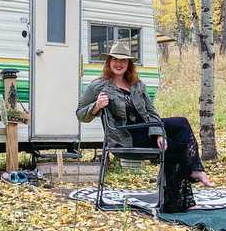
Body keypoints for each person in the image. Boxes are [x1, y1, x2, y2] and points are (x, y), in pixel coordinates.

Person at [76, 41, 212, 213]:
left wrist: (159, 134)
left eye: (123, 60)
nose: (119, 64)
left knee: (181, 124)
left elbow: (151, 112)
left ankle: (190, 177)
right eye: (115, 59)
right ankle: (191, 174)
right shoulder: (99, 85)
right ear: (109, 62)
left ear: (129, 64)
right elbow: (80, 113)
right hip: (126, 136)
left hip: (147, 129)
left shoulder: (137, 85)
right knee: (177, 147)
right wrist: (96, 106)